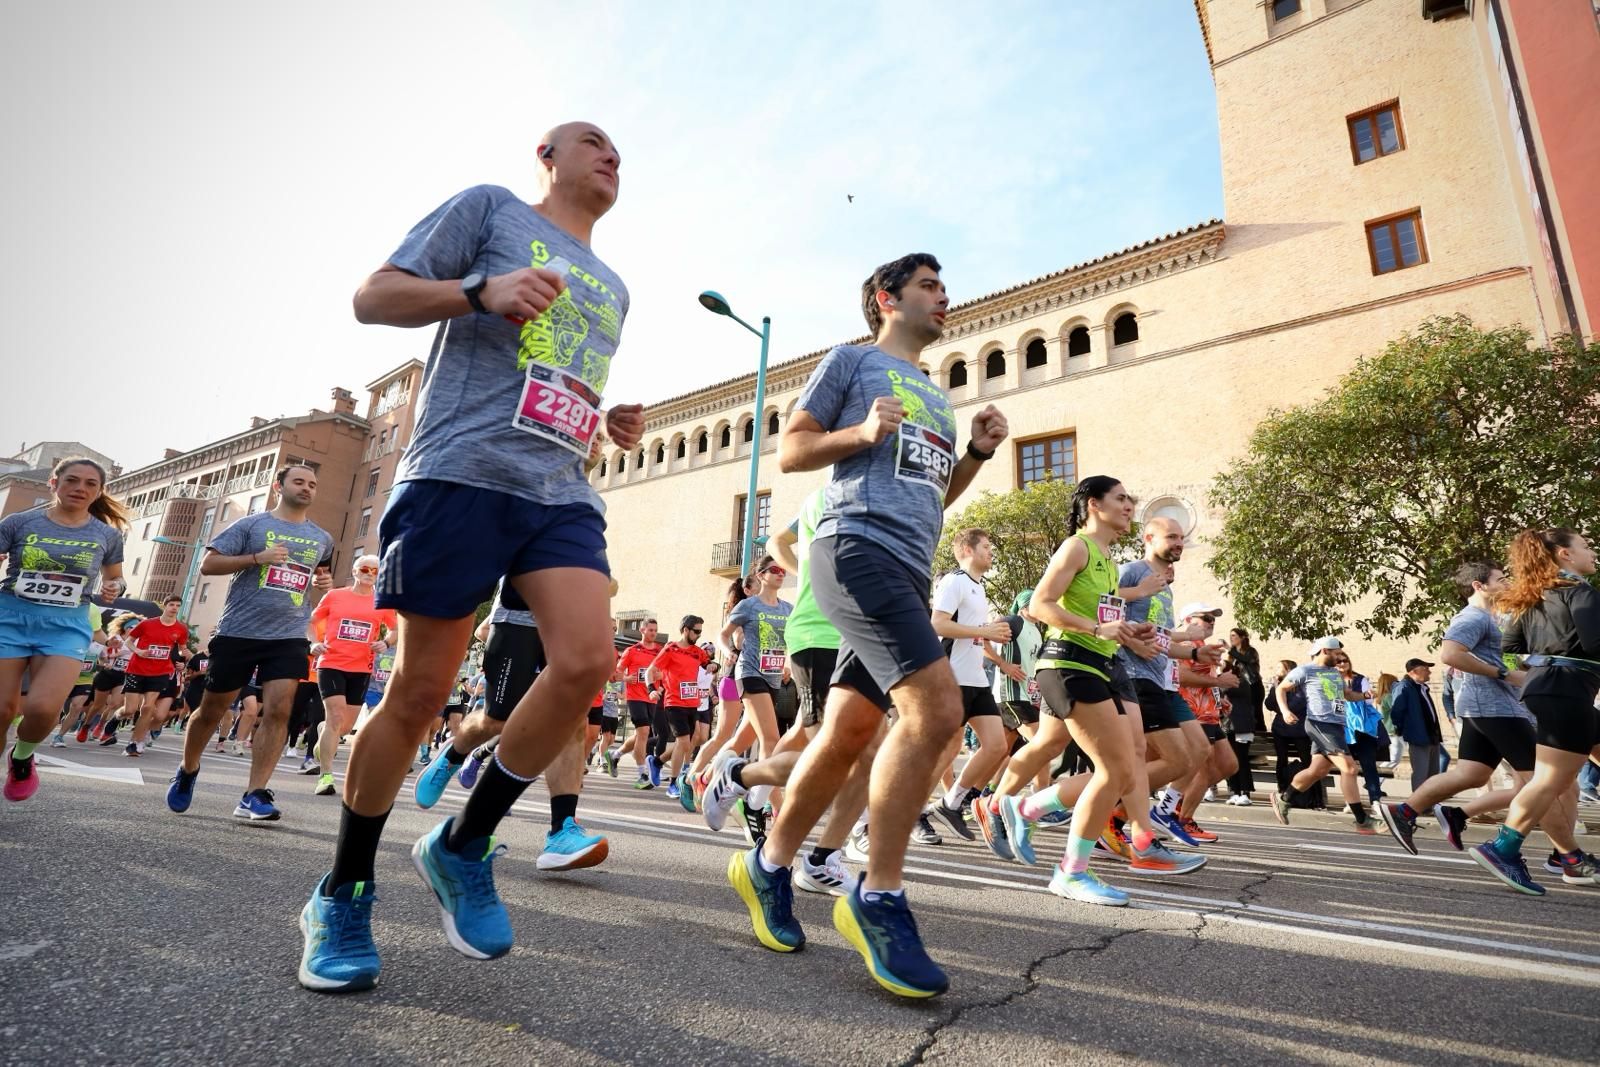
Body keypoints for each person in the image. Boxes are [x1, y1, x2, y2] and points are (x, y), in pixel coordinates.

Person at [297, 121, 644, 994]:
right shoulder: (487, 210)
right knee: (417, 695)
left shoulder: (613, 285)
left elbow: (546, 377)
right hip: (459, 471)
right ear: (548, 157)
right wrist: (480, 290)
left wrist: (601, 427)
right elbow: (374, 298)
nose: (611, 155)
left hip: (558, 487)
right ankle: (342, 891)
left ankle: (462, 843)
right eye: (592, 141)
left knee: (587, 662)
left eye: (619, 149)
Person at [723, 252, 1007, 999]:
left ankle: (768, 863)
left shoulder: (937, 397)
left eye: (946, 285)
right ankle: (877, 895)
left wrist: (974, 451)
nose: (945, 296)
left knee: (850, 731)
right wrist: (858, 433)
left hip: (907, 564)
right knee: (938, 712)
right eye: (929, 286)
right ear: (887, 298)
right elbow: (792, 451)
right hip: (855, 547)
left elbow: (933, 495)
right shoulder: (849, 362)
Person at [1379, 561, 1585, 867]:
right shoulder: (1472, 617)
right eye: (1500, 579)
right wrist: (1503, 674)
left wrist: (1535, 669)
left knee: (1471, 774)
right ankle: (1567, 857)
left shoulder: (1496, 618)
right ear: (1479, 585)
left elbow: (1512, 662)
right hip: (1496, 709)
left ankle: (1405, 812)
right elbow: (1450, 654)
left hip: (1491, 708)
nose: (1506, 583)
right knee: (1546, 784)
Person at [165, 464, 335, 820]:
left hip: (288, 634)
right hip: (239, 631)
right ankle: (188, 768)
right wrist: (257, 558)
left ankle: (254, 793)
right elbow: (208, 565)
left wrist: (323, 586)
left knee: (279, 709)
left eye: (313, 485)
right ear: (279, 486)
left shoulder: (322, 538)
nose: (307, 488)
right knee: (211, 710)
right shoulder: (251, 525)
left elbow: (321, 573)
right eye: (299, 482)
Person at [1469, 529, 1600, 894]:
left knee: (1552, 777)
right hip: (1567, 691)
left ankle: (1569, 860)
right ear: (1565, 555)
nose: (1592, 552)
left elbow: (1509, 645)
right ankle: (1502, 849)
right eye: (1586, 547)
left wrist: (1541, 663)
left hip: (1549, 688)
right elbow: (1595, 643)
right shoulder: (1580, 592)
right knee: (1549, 781)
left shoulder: (1532, 598)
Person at [0, 458, 127, 801]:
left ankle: (22, 757)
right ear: (53, 483)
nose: (80, 488)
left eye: (90, 484)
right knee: (1, 709)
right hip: (10, 617)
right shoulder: (19, 522)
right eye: (72, 480)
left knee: (43, 709)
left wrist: (115, 587)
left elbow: (115, 576)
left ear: (99, 491)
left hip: (67, 624)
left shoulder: (107, 534)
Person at [926, 528, 1013, 841]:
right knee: (945, 750)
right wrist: (985, 630)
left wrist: (987, 633)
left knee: (997, 746)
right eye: (986, 546)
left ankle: (950, 805)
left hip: (975, 679)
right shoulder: (954, 581)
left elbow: (976, 632)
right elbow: (938, 624)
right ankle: (914, 813)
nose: (991, 552)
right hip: (952, 679)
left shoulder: (978, 587)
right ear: (966, 549)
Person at [1269, 637, 1379, 833]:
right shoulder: (1305, 670)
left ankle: (1283, 799)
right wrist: (1285, 711)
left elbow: (1347, 695)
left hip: (1337, 726)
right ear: (1324, 651)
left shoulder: (1334, 674)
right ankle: (1362, 820)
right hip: (1320, 723)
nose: (1339, 658)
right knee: (1350, 769)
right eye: (1336, 654)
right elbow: (1281, 689)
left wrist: (1364, 695)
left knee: (1317, 771)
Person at [307, 555, 395, 793]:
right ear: (355, 571)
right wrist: (313, 643)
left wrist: (386, 643)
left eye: (375, 571)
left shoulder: (382, 602)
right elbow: (310, 621)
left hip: (361, 668)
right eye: (365, 569)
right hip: (331, 663)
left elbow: (396, 628)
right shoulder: (335, 595)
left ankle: (323, 733)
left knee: (343, 729)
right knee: (335, 717)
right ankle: (326, 776)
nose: (369, 573)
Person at [648, 615, 711, 800]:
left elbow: (708, 663)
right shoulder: (671, 649)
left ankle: (657, 762)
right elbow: (651, 670)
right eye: (696, 631)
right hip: (674, 702)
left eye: (701, 631)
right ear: (685, 630)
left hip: (692, 703)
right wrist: (652, 689)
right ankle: (673, 784)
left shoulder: (697, 652)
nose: (699, 635)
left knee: (685, 743)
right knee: (683, 743)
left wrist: (713, 666)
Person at [122, 596, 190, 757]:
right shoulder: (147, 624)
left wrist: (186, 658)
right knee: (130, 709)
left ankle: (134, 742)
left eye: (178, 605)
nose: (174, 608)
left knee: (147, 708)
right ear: (165, 606)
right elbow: (129, 641)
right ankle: (117, 717)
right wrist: (138, 651)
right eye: (171, 605)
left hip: (160, 672)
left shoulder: (181, 629)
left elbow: (182, 649)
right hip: (137, 669)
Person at [616, 619, 665, 789]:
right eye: (650, 630)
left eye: (655, 630)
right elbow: (617, 673)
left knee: (640, 735)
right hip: (635, 697)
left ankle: (615, 755)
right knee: (644, 732)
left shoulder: (661, 651)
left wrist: (660, 676)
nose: (653, 633)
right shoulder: (631, 651)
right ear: (642, 630)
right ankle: (642, 774)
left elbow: (669, 671)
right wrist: (626, 678)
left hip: (651, 697)